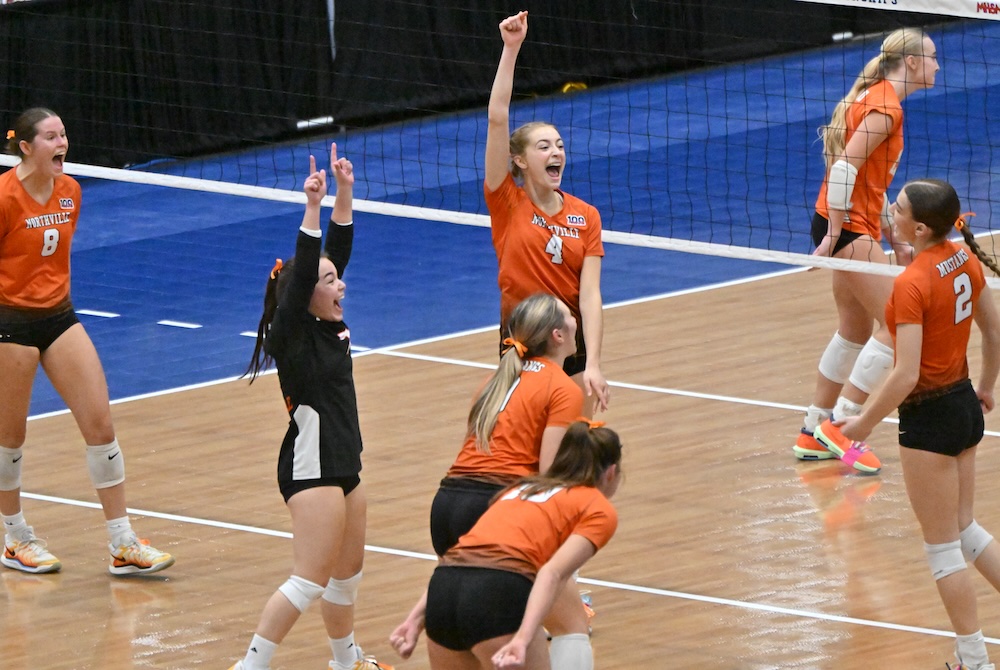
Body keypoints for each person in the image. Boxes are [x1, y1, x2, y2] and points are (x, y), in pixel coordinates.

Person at [820, 179, 1000, 670]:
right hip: (963, 405)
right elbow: (994, 328)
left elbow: (906, 373)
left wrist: (861, 424)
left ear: (918, 227)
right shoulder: (963, 257)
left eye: (896, 207)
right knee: (965, 530)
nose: (888, 210)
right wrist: (985, 387)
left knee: (943, 550)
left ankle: (974, 660)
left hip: (931, 419)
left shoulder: (911, 284)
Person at [232, 145, 390, 670]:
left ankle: (345, 662)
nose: (340, 283)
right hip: (311, 466)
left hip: (346, 461)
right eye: (329, 282)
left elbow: (331, 256)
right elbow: (306, 273)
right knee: (309, 580)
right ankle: (249, 666)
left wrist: (344, 192)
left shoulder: (325, 318)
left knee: (347, 577)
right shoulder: (292, 334)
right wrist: (311, 206)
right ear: (306, 294)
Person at [0, 108, 174, 576]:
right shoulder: (4, 198)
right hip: (9, 321)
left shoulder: (71, 192)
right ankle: (14, 536)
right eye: (52, 137)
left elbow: (55, 263)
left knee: (101, 426)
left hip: (58, 316)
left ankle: (122, 541)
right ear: (25, 147)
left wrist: (55, 303)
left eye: (65, 134)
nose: (63, 144)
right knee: (10, 438)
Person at [390, 292, 595, 668]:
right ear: (558, 335)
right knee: (569, 624)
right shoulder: (564, 388)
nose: (576, 319)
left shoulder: (493, 382)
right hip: (496, 506)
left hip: (448, 504)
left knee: (472, 617)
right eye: (569, 315)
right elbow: (550, 475)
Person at [793, 28, 940, 473]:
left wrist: (884, 230)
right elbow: (843, 170)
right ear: (911, 62)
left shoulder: (876, 97)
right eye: (933, 58)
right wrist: (834, 236)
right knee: (900, 327)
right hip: (845, 228)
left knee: (854, 328)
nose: (937, 66)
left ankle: (812, 430)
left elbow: (862, 180)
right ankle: (841, 427)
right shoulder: (885, 106)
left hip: (851, 225)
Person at [485, 10, 610, 418]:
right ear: (519, 161)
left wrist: (593, 363)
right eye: (543, 147)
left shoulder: (585, 215)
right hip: (523, 337)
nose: (555, 152)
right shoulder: (506, 201)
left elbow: (589, 295)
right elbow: (497, 116)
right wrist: (511, 48)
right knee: (525, 444)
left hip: (569, 340)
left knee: (576, 447)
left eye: (559, 145)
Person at [421, 420, 622, 670]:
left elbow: (460, 559)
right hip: (494, 595)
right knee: (571, 623)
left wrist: (414, 620)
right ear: (611, 472)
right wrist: (524, 637)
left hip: (444, 591)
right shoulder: (596, 506)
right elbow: (551, 573)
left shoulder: (520, 490)